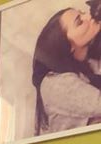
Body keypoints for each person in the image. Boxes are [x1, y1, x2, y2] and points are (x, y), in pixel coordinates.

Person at [32, 6, 101, 135]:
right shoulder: (54, 83)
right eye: (79, 22)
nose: (88, 16)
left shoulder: (88, 64)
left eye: (82, 13)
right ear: (67, 45)